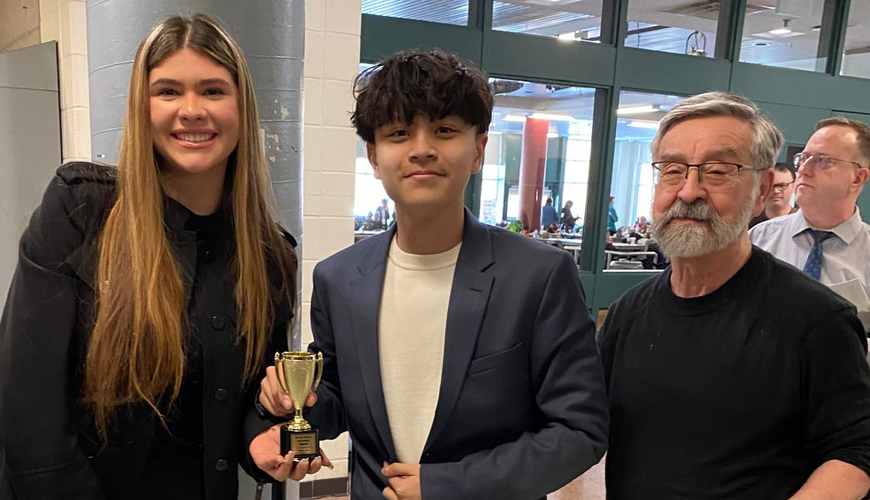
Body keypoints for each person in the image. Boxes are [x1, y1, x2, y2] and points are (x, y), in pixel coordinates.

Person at [0, 15, 321, 500]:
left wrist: (260, 438)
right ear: (142, 107)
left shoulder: (269, 256)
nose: (192, 110)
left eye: (213, 91)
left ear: (242, 108)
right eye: (168, 91)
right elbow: (27, 397)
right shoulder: (80, 209)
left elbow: (241, 404)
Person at [254, 49, 608, 500]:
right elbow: (339, 395)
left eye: (444, 130)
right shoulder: (339, 279)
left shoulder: (538, 277)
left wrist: (448, 485)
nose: (422, 149)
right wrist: (296, 405)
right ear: (374, 157)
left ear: (478, 150)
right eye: (399, 133)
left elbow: (579, 430)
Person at [598, 92, 870, 500]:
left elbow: (858, 448)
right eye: (673, 170)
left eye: (718, 172)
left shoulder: (817, 319)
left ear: (762, 188)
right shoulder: (628, 313)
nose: (689, 191)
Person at [751, 118, 870, 394]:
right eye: (804, 158)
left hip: (842, 404)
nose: (804, 169)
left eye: (822, 160)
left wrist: (839, 342)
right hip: (759, 396)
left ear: (858, 178)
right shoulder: (757, 240)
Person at [748, 162, 796, 228]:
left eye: (782, 185)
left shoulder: (801, 221)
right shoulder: (751, 222)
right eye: (771, 186)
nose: (776, 191)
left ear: (794, 186)